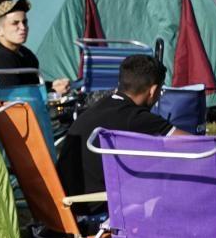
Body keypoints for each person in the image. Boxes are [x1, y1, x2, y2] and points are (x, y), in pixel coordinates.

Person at [57, 54, 178, 196]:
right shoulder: (137, 117)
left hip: (64, 198)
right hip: (93, 203)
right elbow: (195, 146)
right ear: (153, 90)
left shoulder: (101, 105)